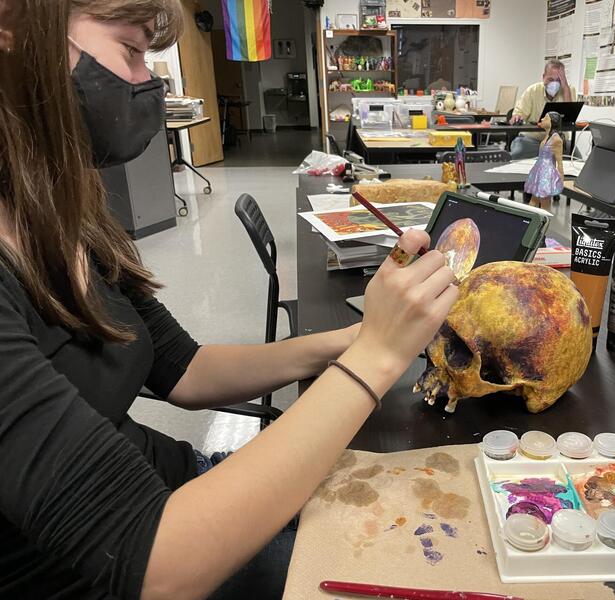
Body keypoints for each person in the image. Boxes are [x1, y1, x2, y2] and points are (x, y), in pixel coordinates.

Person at [0, 1, 458, 599]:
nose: (148, 83)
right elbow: (157, 563)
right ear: (14, 39)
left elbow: (185, 369)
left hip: (178, 488)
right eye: (132, 52)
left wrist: (361, 335)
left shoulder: (62, 221)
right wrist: (373, 359)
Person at [508, 59, 576, 160]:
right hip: (532, 139)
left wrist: (565, 87)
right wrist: (517, 117)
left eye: (558, 80)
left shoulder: (568, 90)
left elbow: (570, 117)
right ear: (543, 77)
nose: (554, 84)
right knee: (519, 154)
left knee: (576, 159)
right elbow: (519, 114)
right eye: (550, 79)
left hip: (558, 141)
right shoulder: (532, 90)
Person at [522, 111, 564, 211]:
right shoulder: (546, 136)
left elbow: (559, 162)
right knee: (534, 199)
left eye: (545, 118)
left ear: (552, 122)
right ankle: (530, 219)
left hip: (547, 173)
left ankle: (544, 223)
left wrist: (561, 178)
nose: (542, 119)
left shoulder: (556, 140)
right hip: (539, 171)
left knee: (544, 201)